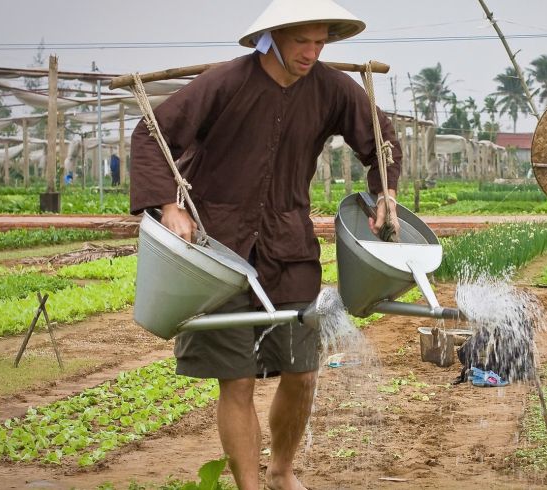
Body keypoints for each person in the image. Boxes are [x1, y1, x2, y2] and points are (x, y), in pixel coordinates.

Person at [129, 1, 401, 488]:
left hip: (288, 249)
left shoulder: (333, 89)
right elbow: (151, 134)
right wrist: (168, 207)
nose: (312, 52)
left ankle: (281, 472)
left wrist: (386, 191)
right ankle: (250, 487)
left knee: (303, 373)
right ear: (275, 37)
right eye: (303, 42)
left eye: (321, 43)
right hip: (217, 251)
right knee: (236, 380)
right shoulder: (225, 83)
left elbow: (380, 138)